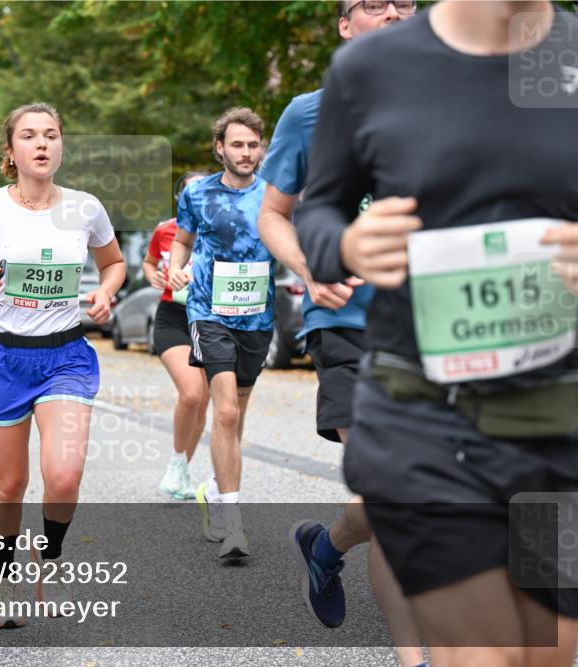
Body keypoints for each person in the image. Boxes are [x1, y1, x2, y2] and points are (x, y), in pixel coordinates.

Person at [295, 2, 577, 664]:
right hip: (424, 413)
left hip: (554, 417)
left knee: (549, 649)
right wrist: (348, 245)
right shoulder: (373, 67)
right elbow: (318, 211)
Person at [257, 1, 425, 660]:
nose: (393, 12)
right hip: (348, 322)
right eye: (373, 3)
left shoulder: (455, 100)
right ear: (345, 25)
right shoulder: (309, 112)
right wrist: (308, 267)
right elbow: (274, 213)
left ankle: (325, 548)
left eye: (406, 1)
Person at [0, 102, 125, 629]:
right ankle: (4, 578)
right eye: (29, 135)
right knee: (10, 485)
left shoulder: (86, 208)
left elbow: (113, 263)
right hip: (3, 358)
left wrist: (106, 293)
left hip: (65, 356)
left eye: (51, 134)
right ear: (11, 150)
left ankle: (51, 558)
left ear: (61, 145)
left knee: (64, 476)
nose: (42, 143)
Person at [167, 108, 273, 561]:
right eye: (237, 144)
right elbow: (183, 240)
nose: (245, 152)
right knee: (225, 410)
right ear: (219, 148)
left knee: (236, 412)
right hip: (208, 311)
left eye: (252, 145)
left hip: (258, 317)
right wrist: (175, 268)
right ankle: (233, 524)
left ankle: (215, 486)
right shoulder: (198, 193)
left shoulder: (275, 194)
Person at [142, 170, 210, 500]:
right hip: (173, 317)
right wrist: (153, 275)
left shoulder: (222, 229)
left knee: (204, 401)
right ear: (180, 198)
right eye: (189, 193)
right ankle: (176, 462)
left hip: (210, 319)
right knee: (192, 393)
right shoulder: (165, 230)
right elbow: (149, 262)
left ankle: (182, 470)